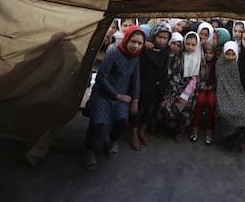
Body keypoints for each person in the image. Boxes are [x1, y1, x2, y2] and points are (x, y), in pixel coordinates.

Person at [82, 25, 146, 170]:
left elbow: (136, 79)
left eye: (139, 43)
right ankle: (88, 150)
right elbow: (101, 78)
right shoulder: (113, 52)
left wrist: (135, 100)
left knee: (122, 122)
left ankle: (112, 141)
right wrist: (117, 95)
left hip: (121, 97)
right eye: (133, 41)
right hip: (103, 94)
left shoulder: (136, 58)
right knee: (97, 125)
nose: (136, 46)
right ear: (126, 39)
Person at [128, 22, 172, 150]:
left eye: (165, 38)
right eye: (160, 37)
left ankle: (142, 131)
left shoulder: (166, 50)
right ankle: (134, 133)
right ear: (153, 35)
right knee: (139, 110)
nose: (162, 41)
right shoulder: (145, 49)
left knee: (150, 111)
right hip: (144, 86)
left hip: (157, 87)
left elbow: (164, 69)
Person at [159, 31, 205, 143]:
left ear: (197, 45)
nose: (190, 47)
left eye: (193, 45)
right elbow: (172, 72)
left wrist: (185, 94)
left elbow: (196, 79)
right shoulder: (179, 54)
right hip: (175, 85)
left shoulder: (200, 58)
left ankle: (179, 132)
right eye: (187, 44)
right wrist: (175, 88)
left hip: (190, 90)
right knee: (167, 104)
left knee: (185, 108)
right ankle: (167, 128)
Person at [215, 41, 245, 150]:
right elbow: (221, 82)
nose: (230, 57)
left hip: (238, 93)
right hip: (223, 93)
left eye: (233, 54)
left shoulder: (239, 65)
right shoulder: (220, 64)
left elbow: (240, 83)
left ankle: (234, 140)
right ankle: (224, 138)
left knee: (244, 112)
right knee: (224, 111)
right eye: (228, 54)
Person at [190, 44, 217, 145]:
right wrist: (202, 86)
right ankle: (195, 127)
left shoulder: (216, 63)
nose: (208, 55)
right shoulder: (200, 62)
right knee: (200, 101)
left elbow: (218, 78)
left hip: (211, 89)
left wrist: (212, 86)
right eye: (206, 53)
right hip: (200, 87)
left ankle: (209, 130)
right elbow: (196, 76)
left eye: (211, 53)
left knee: (211, 103)